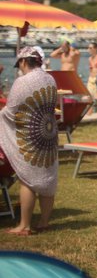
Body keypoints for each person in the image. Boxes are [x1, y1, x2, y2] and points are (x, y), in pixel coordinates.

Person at [0, 47, 58, 235]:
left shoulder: (22, 82)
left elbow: (11, 111)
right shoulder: (50, 79)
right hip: (48, 132)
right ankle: (44, 222)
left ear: (24, 62)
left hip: (30, 134)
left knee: (28, 178)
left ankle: (24, 225)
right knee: (48, 178)